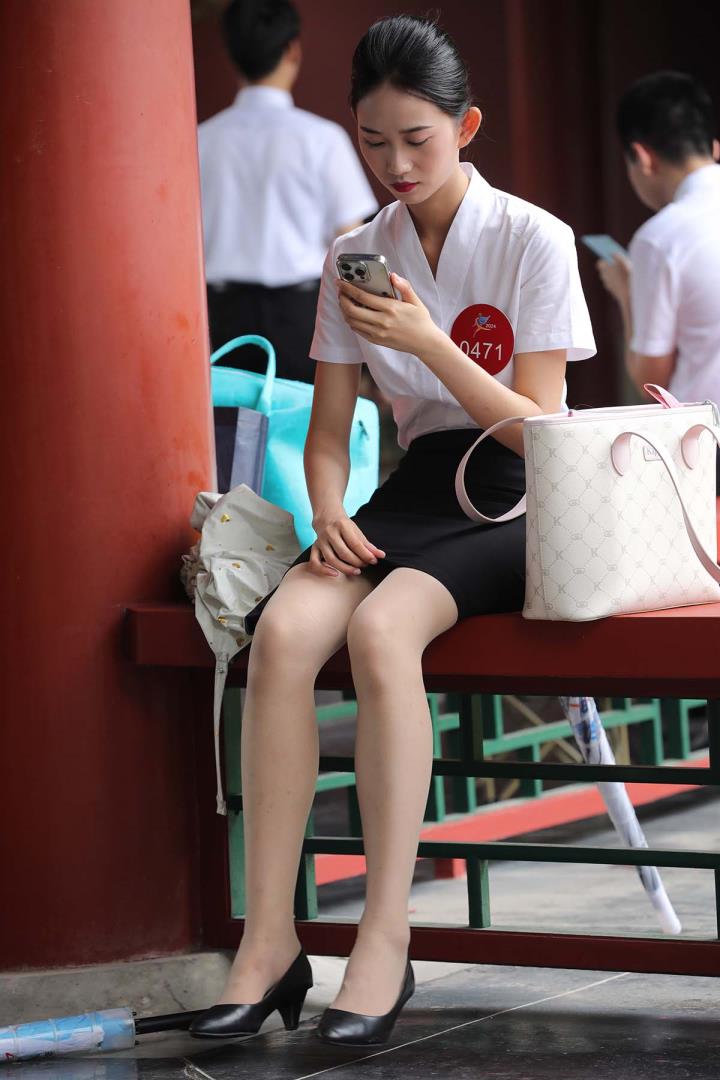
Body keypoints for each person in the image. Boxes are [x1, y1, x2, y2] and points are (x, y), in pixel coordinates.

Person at [190, 14, 595, 1048]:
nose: (396, 164)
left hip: (518, 492)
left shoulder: (533, 238)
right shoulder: (356, 252)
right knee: (282, 636)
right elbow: (328, 433)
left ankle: (385, 935)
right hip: (412, 488)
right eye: (375, 141)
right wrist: (327, 511)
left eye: (417, 138)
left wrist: (426, 339)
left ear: (467, 126)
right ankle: (270, 941)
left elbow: (541, 429)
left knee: (379, 632)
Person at [198, 0, 378, 381]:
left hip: (219, 319)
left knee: (227, 418)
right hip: (303, 318)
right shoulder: (322, 139)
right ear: (292, 50)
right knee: (305, 419)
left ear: (231, 53)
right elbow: (352, 241)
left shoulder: (199, 141)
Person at [596, 72, 720, 428]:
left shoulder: (661, 239)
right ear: (713, 147)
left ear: (642, 157)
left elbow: (652, 382)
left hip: (707, 441)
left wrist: (626, 294)